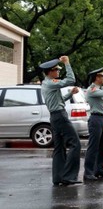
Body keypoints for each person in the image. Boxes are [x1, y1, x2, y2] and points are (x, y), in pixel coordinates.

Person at [40, 56, 82, 186]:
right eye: (56, 69)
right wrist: (67, 63)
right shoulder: (51, 83)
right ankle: (69, 176)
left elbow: (59, 100)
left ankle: (58, 177)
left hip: (55, 117)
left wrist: (71, 94)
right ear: (50, 72)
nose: (58, 71)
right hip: (60, 116)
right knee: (75, 144)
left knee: (59, 148)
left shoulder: (46, 83)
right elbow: (71, 79)